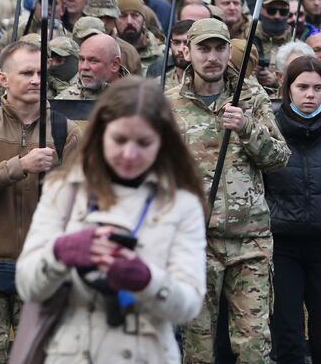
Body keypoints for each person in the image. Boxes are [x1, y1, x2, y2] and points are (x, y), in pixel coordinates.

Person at [14, 78, 208, 362]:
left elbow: (189, 306)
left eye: (144, 143)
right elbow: (27, 284)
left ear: (162, 143)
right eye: (119, 140)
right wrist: (60, 253)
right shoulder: (65, 190)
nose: (130, 154)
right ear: (101, 134)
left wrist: (146, 279)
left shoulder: (181, 204)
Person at [168, 16, 290, 363]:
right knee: (198, 349)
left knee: (253, 347)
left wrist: (246, 127)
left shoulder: (251, 97)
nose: (212, 57)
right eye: (203, 48)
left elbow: (280, 159)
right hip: (195, 242)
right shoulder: (168, 104)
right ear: (186, 51)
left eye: (219, 48)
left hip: (249, 241)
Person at [0, 42, 81, 363]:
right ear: (3, 79)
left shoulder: (67, 132)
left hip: (45, 271)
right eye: (26, 73)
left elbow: (85, 202)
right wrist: (20, 166)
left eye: (41, 73)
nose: (37, 79)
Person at [264, 56, 321, 364]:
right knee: (288, 337)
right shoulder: (270, 130)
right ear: (287, 89)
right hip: (282, 246)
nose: (310, 95)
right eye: (302, 87)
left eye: (317, 88)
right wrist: (272, 215)